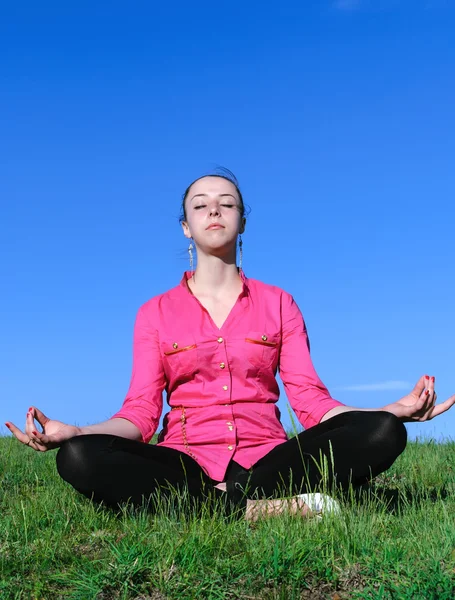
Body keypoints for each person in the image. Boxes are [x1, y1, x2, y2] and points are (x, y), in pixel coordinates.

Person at [5, 168, 455, 521]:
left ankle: (215, 507)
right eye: (201, 206)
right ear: (186, 226)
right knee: (79, 459)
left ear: (242, 221)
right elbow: (141, 415)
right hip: (185, 463)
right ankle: (270, 509)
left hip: (269, 462)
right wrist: (77, 433)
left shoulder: (279, 303)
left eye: (227, 204)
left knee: (383, 433)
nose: (214, 212)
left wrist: (391, 412)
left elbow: (312, 404)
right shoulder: (154, 314)